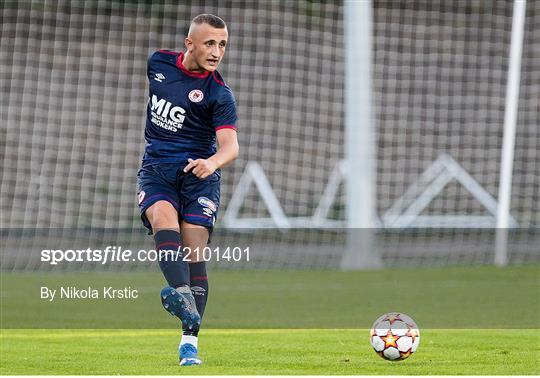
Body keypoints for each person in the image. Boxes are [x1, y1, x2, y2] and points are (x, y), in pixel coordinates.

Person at [137, 14, 238, 366]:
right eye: (210, 43)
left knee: (194, 250)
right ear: (189, 43)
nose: (217, 51)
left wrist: (211, 162)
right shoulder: (158, 63)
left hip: (199, 177)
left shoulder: (219, 94)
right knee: (162, 217)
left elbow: (230, 146)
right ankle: (182, 297)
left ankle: (189, 341)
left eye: (223, 44)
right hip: (157, 171)